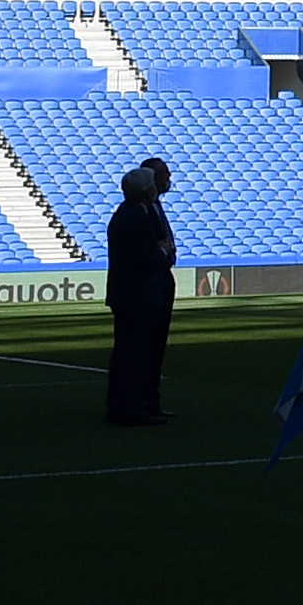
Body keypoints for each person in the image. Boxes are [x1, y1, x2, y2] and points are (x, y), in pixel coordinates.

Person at [103, 156, 177, 425]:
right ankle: (130, 408)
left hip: (146, 292)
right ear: (148, 189)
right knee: (134, 353)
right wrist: (162, 251)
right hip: (138, 295)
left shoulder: (137, 213)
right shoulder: (133, 217)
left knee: (143, 352)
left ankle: (141, 403)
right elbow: (142, 258)